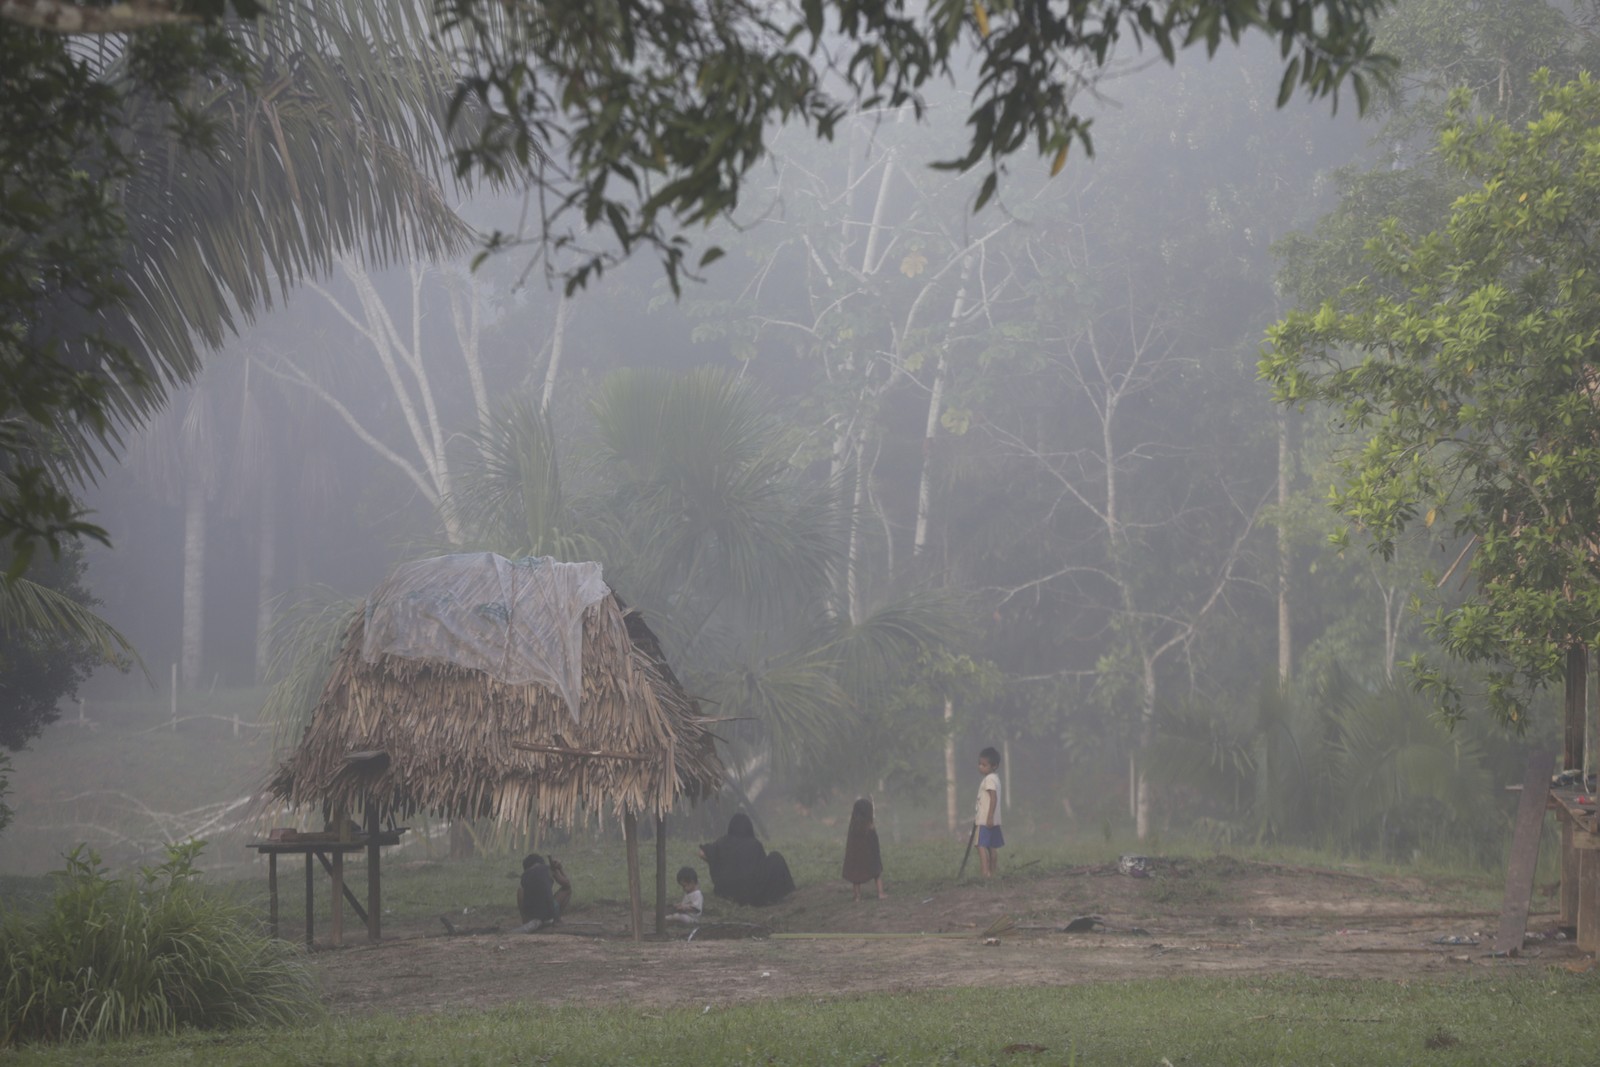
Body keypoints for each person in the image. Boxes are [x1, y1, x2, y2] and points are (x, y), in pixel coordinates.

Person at [698, 812, 795, 906]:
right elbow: (761, 870)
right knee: (776, 857)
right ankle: (790, 892)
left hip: (726, 892)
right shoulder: (755, 844)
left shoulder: (722, 842)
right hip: (752, 895)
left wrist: (717, 863)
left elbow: (702, 853)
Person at [841, 796, 885, 901]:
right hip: (870, 858)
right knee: (877, 874)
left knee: (856, 878)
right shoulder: (869, 828)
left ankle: (857, 896)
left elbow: (851, 847)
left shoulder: (853, 828)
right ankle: (881, 893)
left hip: (857, 859)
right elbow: (874, 844)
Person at [515, 853, 572, 932]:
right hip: (549, 913)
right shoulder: (548, 869)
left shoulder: (525, 875)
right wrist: (559, 869)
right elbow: (567, 884)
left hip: (531, 915)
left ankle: (526, 921)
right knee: (567, 889)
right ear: (542, 863)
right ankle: (557, 920)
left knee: (520, 890)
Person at [975, 746, 1003, 878]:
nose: (981, 767)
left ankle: (985, 873)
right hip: (993, 819)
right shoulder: (995, 778)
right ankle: (993, 872)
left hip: (986, 819)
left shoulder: (989, 780)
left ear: (994, 766)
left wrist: (989, 817)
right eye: (980, 764)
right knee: (992, 847)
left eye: (984, 765)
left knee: (980, 845)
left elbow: (993, 798)